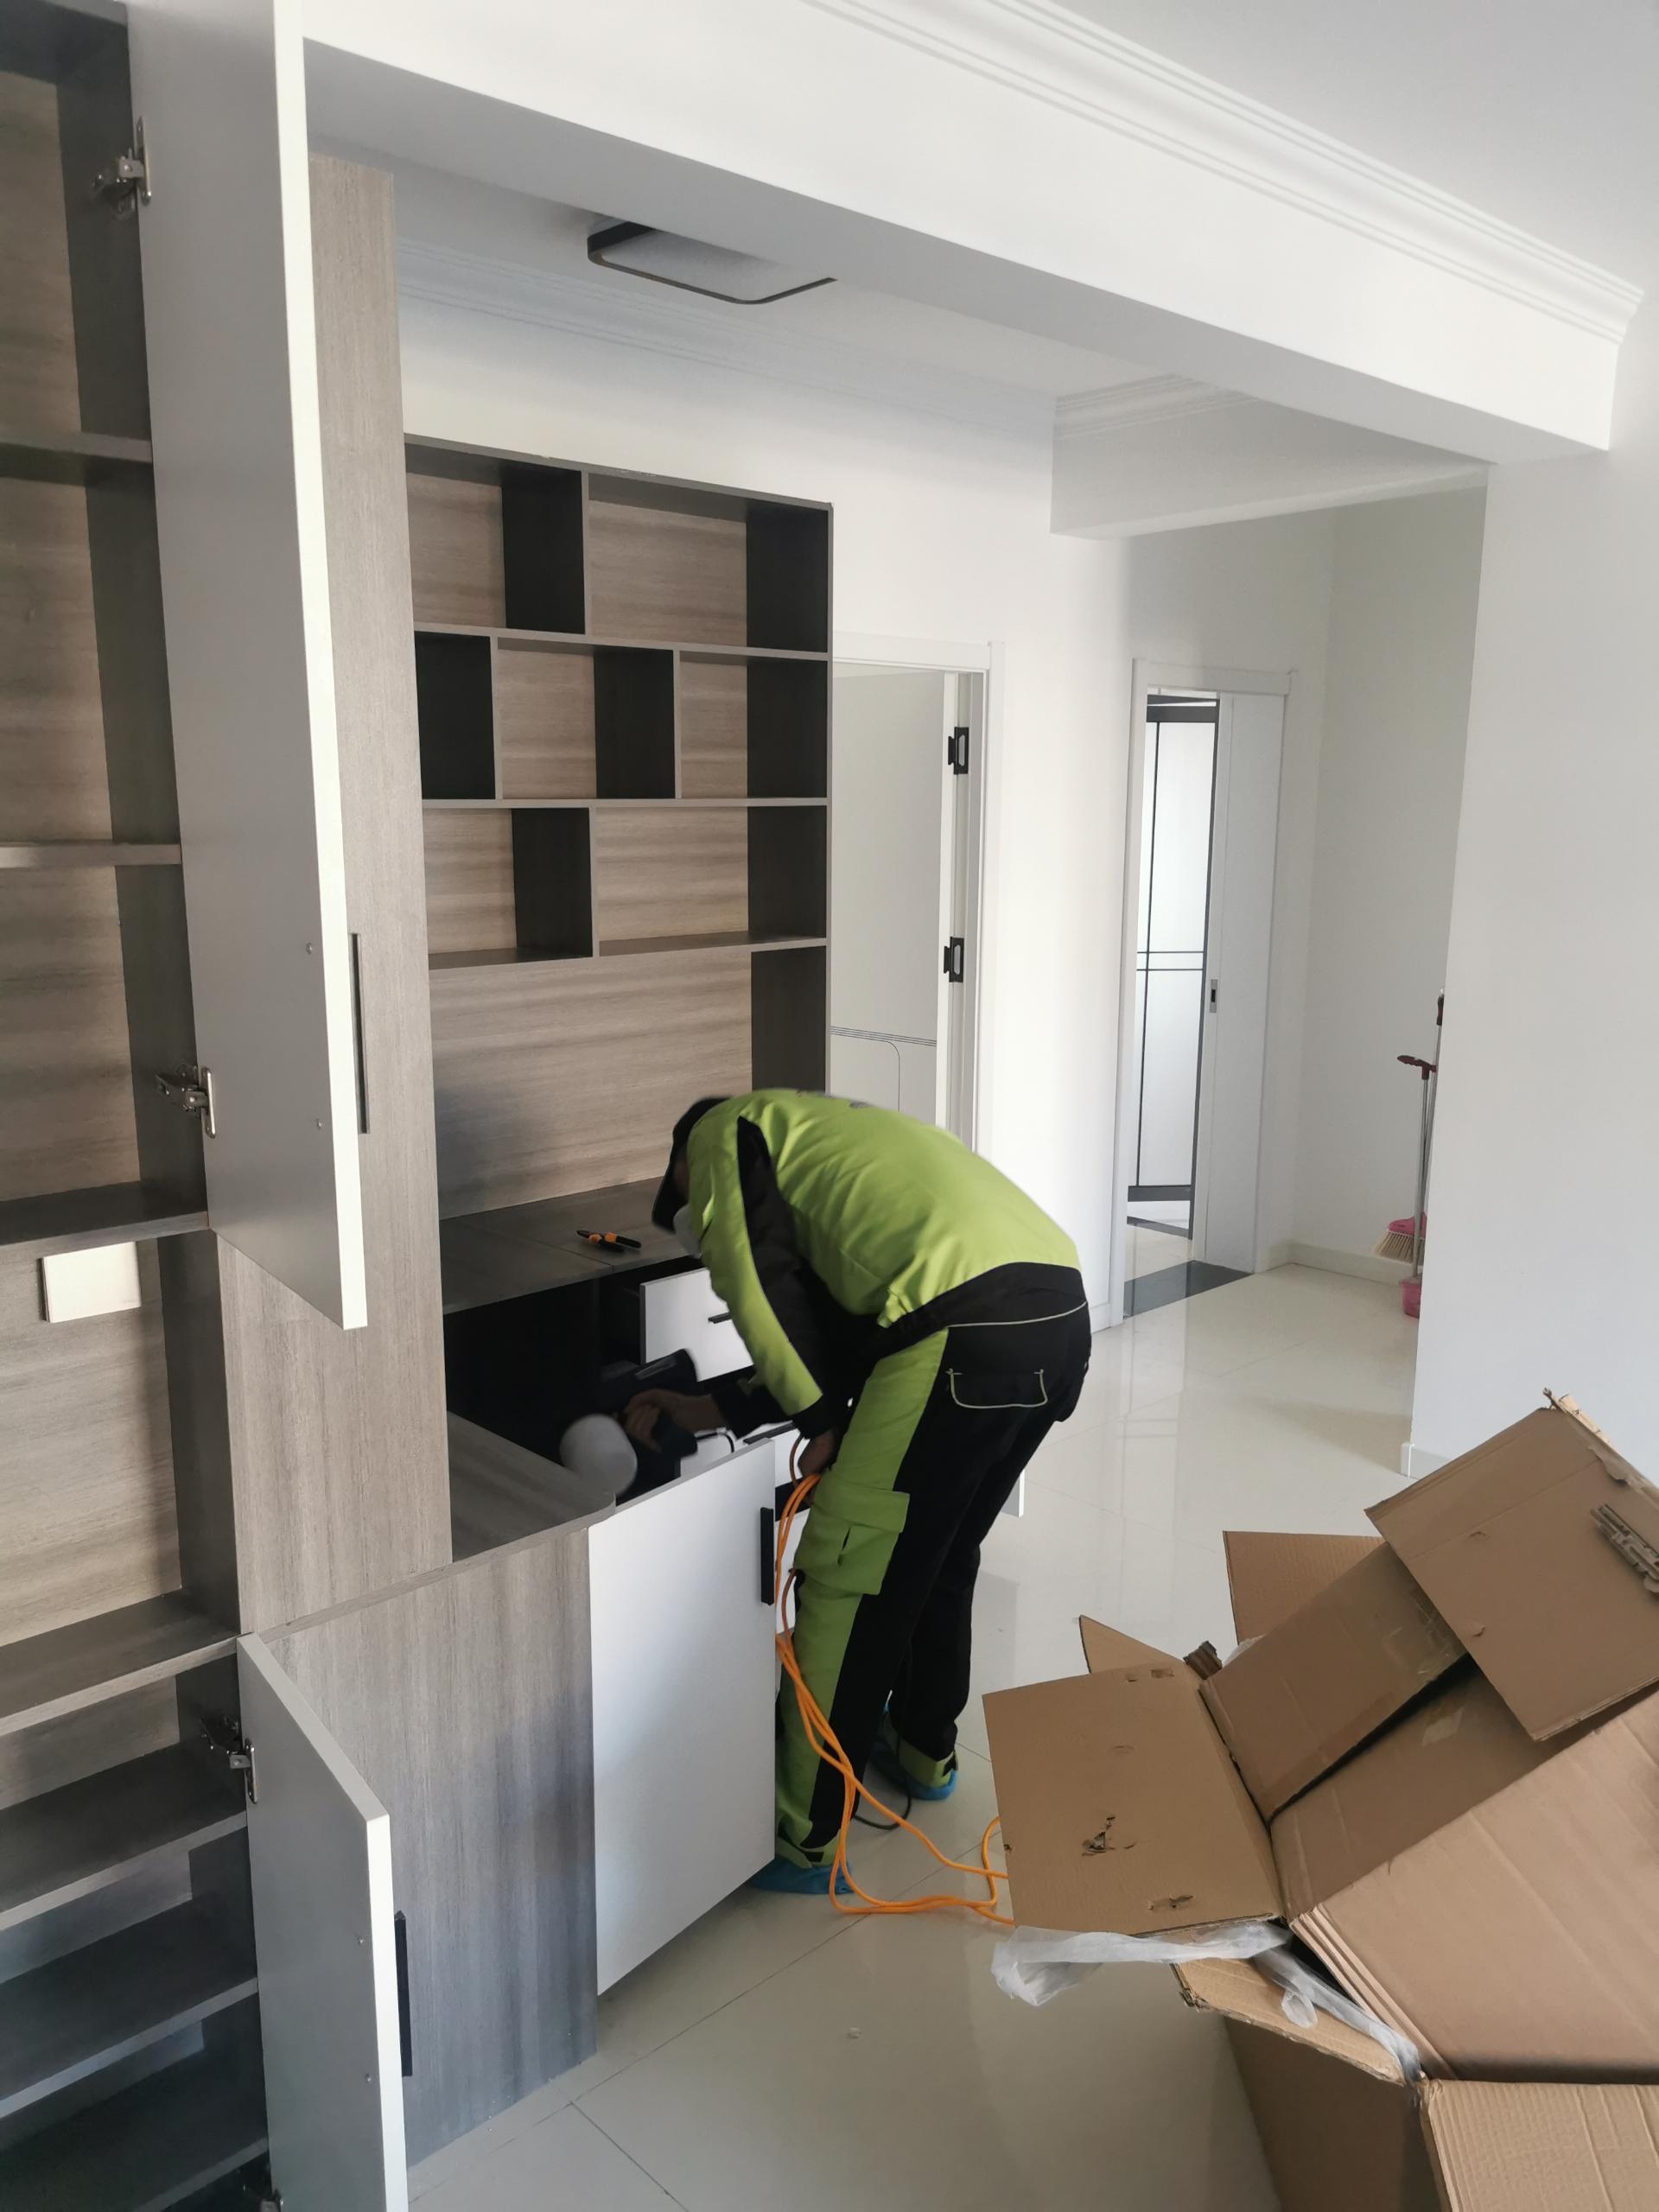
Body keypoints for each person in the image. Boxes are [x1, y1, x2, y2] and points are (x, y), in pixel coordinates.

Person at [625, 1090, 1090, 1891]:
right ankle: (921, 1749)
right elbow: (839, 1333)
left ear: (680, 1168)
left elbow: (758, 1285)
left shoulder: (721, 1131)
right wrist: (709, 1407)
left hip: (955, 1332)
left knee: (851, 1574)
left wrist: (820, 1424)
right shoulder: (828, 1143)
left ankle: (802, 1832)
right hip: (1060, 1316)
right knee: (941, 1548)